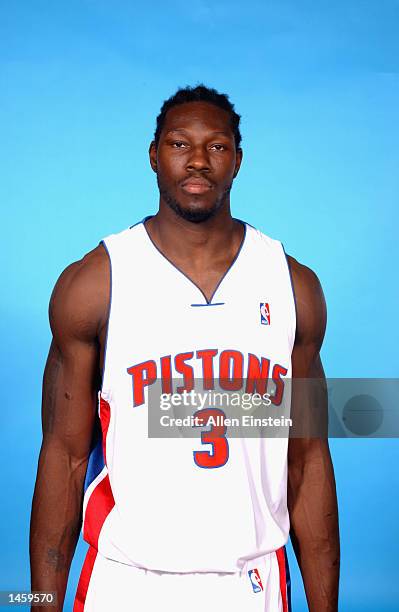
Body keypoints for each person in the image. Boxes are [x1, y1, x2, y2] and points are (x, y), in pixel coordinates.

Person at [30, 85, 340, 611]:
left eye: (217, 146)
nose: (198, 159)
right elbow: (64, 456)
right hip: (127, 583)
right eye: (179, 144)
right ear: (154, 155)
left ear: (238, 161)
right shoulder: (96, 283)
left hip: (251, 583)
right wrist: (40, 603)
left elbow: (307, 458)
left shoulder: (292, 286)